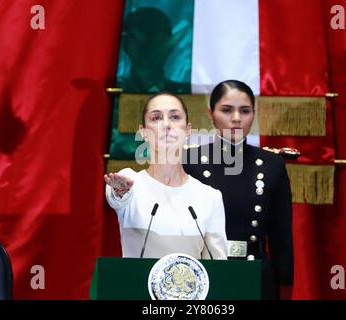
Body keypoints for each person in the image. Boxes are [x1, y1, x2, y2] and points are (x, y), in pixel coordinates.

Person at [183, 80, 294, 299]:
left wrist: (285, 284)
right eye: (226, 110)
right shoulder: (189, 161)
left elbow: (281, 236)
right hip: (202, 275)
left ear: (254, 113)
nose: (236, 118)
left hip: (254, 276)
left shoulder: (272, 164)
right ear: (211, 114)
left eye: (245, 111)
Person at [104, 93, 227, 260]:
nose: (166, 125)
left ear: (188, 130)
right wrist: (119, 192)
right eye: (156, 118)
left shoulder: (210, 197)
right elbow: (117, 196)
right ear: (143, 132)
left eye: (175, 117)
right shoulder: (130, 183)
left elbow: (217, 266)